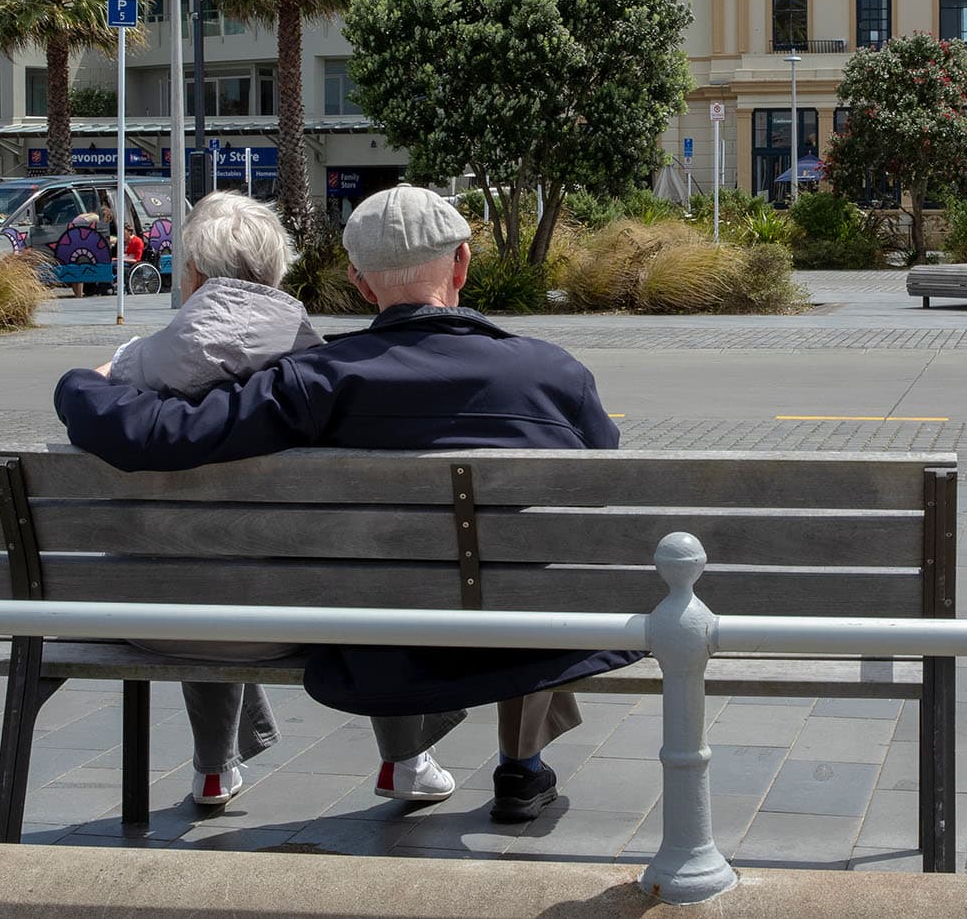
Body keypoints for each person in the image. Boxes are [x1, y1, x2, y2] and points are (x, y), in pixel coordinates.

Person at [55, 184, 622, 825]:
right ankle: (520, 765)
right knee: (520, 560)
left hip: (388, 636)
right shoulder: (554, 372)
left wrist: (84, 384)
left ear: (358, 281)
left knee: (404, 566)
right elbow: (597, 478)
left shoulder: (316, 378)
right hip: (522, 635)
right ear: (462, 263)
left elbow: (160, 434)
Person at [103, 190, 324, 808]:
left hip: (154, 616)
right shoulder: (323, 370)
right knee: (255, 566)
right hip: (309, 616)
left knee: (197, 561)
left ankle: (212, 767)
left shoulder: (131, 370)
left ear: (193, 276)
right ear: (277, 273)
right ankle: (407, 758)